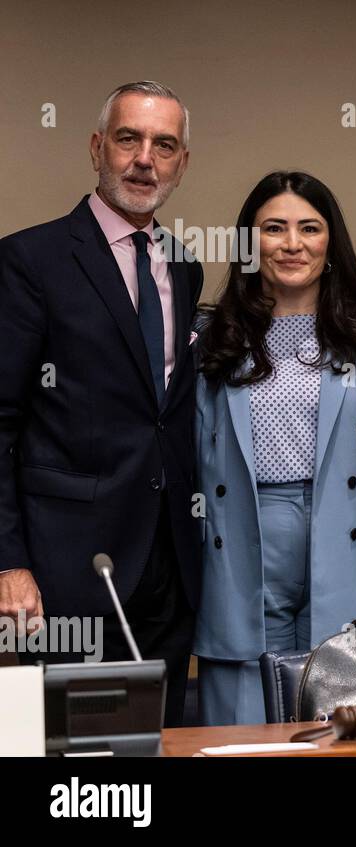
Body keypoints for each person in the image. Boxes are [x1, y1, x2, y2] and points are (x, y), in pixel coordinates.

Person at [0, 81, 202, 725]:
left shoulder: (185, 265)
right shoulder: (30, 259)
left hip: (167, 567)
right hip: (66, 572)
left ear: (181, 163)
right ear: (97, 148)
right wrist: (9, 563)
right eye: (128, 139)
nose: (145, 158)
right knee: (73, 758)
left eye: (164, 145)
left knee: (157, 744)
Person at [194, 172, 356, 725]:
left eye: (309, 227)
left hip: (347, 531)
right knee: (242, 714)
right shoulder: (210, 336)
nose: (292, 243)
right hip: (243, 531)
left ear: (331, 242)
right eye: (274, 228)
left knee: (341, 693)